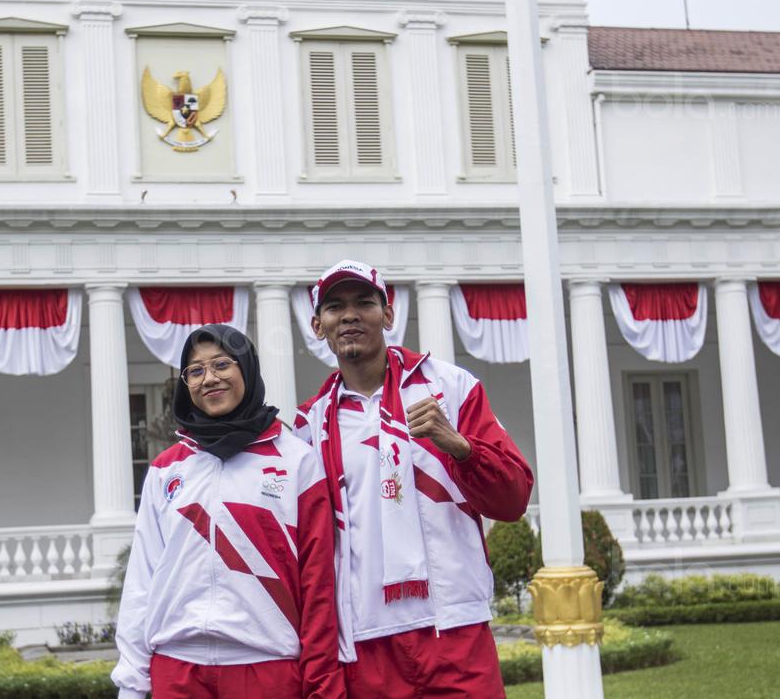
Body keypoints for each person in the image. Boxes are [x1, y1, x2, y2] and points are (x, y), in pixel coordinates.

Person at [294, 260, 535, 698]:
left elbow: (513, 499)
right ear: (318, 325)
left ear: (388, 315)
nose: (349, 315)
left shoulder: (451, 386)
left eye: (364, 303)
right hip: (367, 642)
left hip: (454, 627)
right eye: (334, 307)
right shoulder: (309, 426)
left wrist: (459, 445)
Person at [112, 324, 344, 699]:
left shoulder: (297, 461)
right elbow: (142, 580)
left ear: (247, 369)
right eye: (196, 370)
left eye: (222, 364)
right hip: (177, 667)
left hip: (267, 668)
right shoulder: (166, 470)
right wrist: (132, 684)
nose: (210, 378)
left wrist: (321, 685)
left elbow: (318, 584)